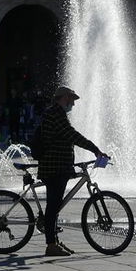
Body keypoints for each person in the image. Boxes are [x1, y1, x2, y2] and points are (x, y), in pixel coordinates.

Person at [39, 86, 108, 257]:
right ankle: (51, 245)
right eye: (72, 100)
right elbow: (72, 135)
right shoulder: (56, 114)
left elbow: (68, 136)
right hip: (55, 167)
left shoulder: (55, 112)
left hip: (56, 165)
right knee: (53, 206)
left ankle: (54, 240)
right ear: (64, 98)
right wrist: (95, 149)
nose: (73, 105)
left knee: (54, 206)